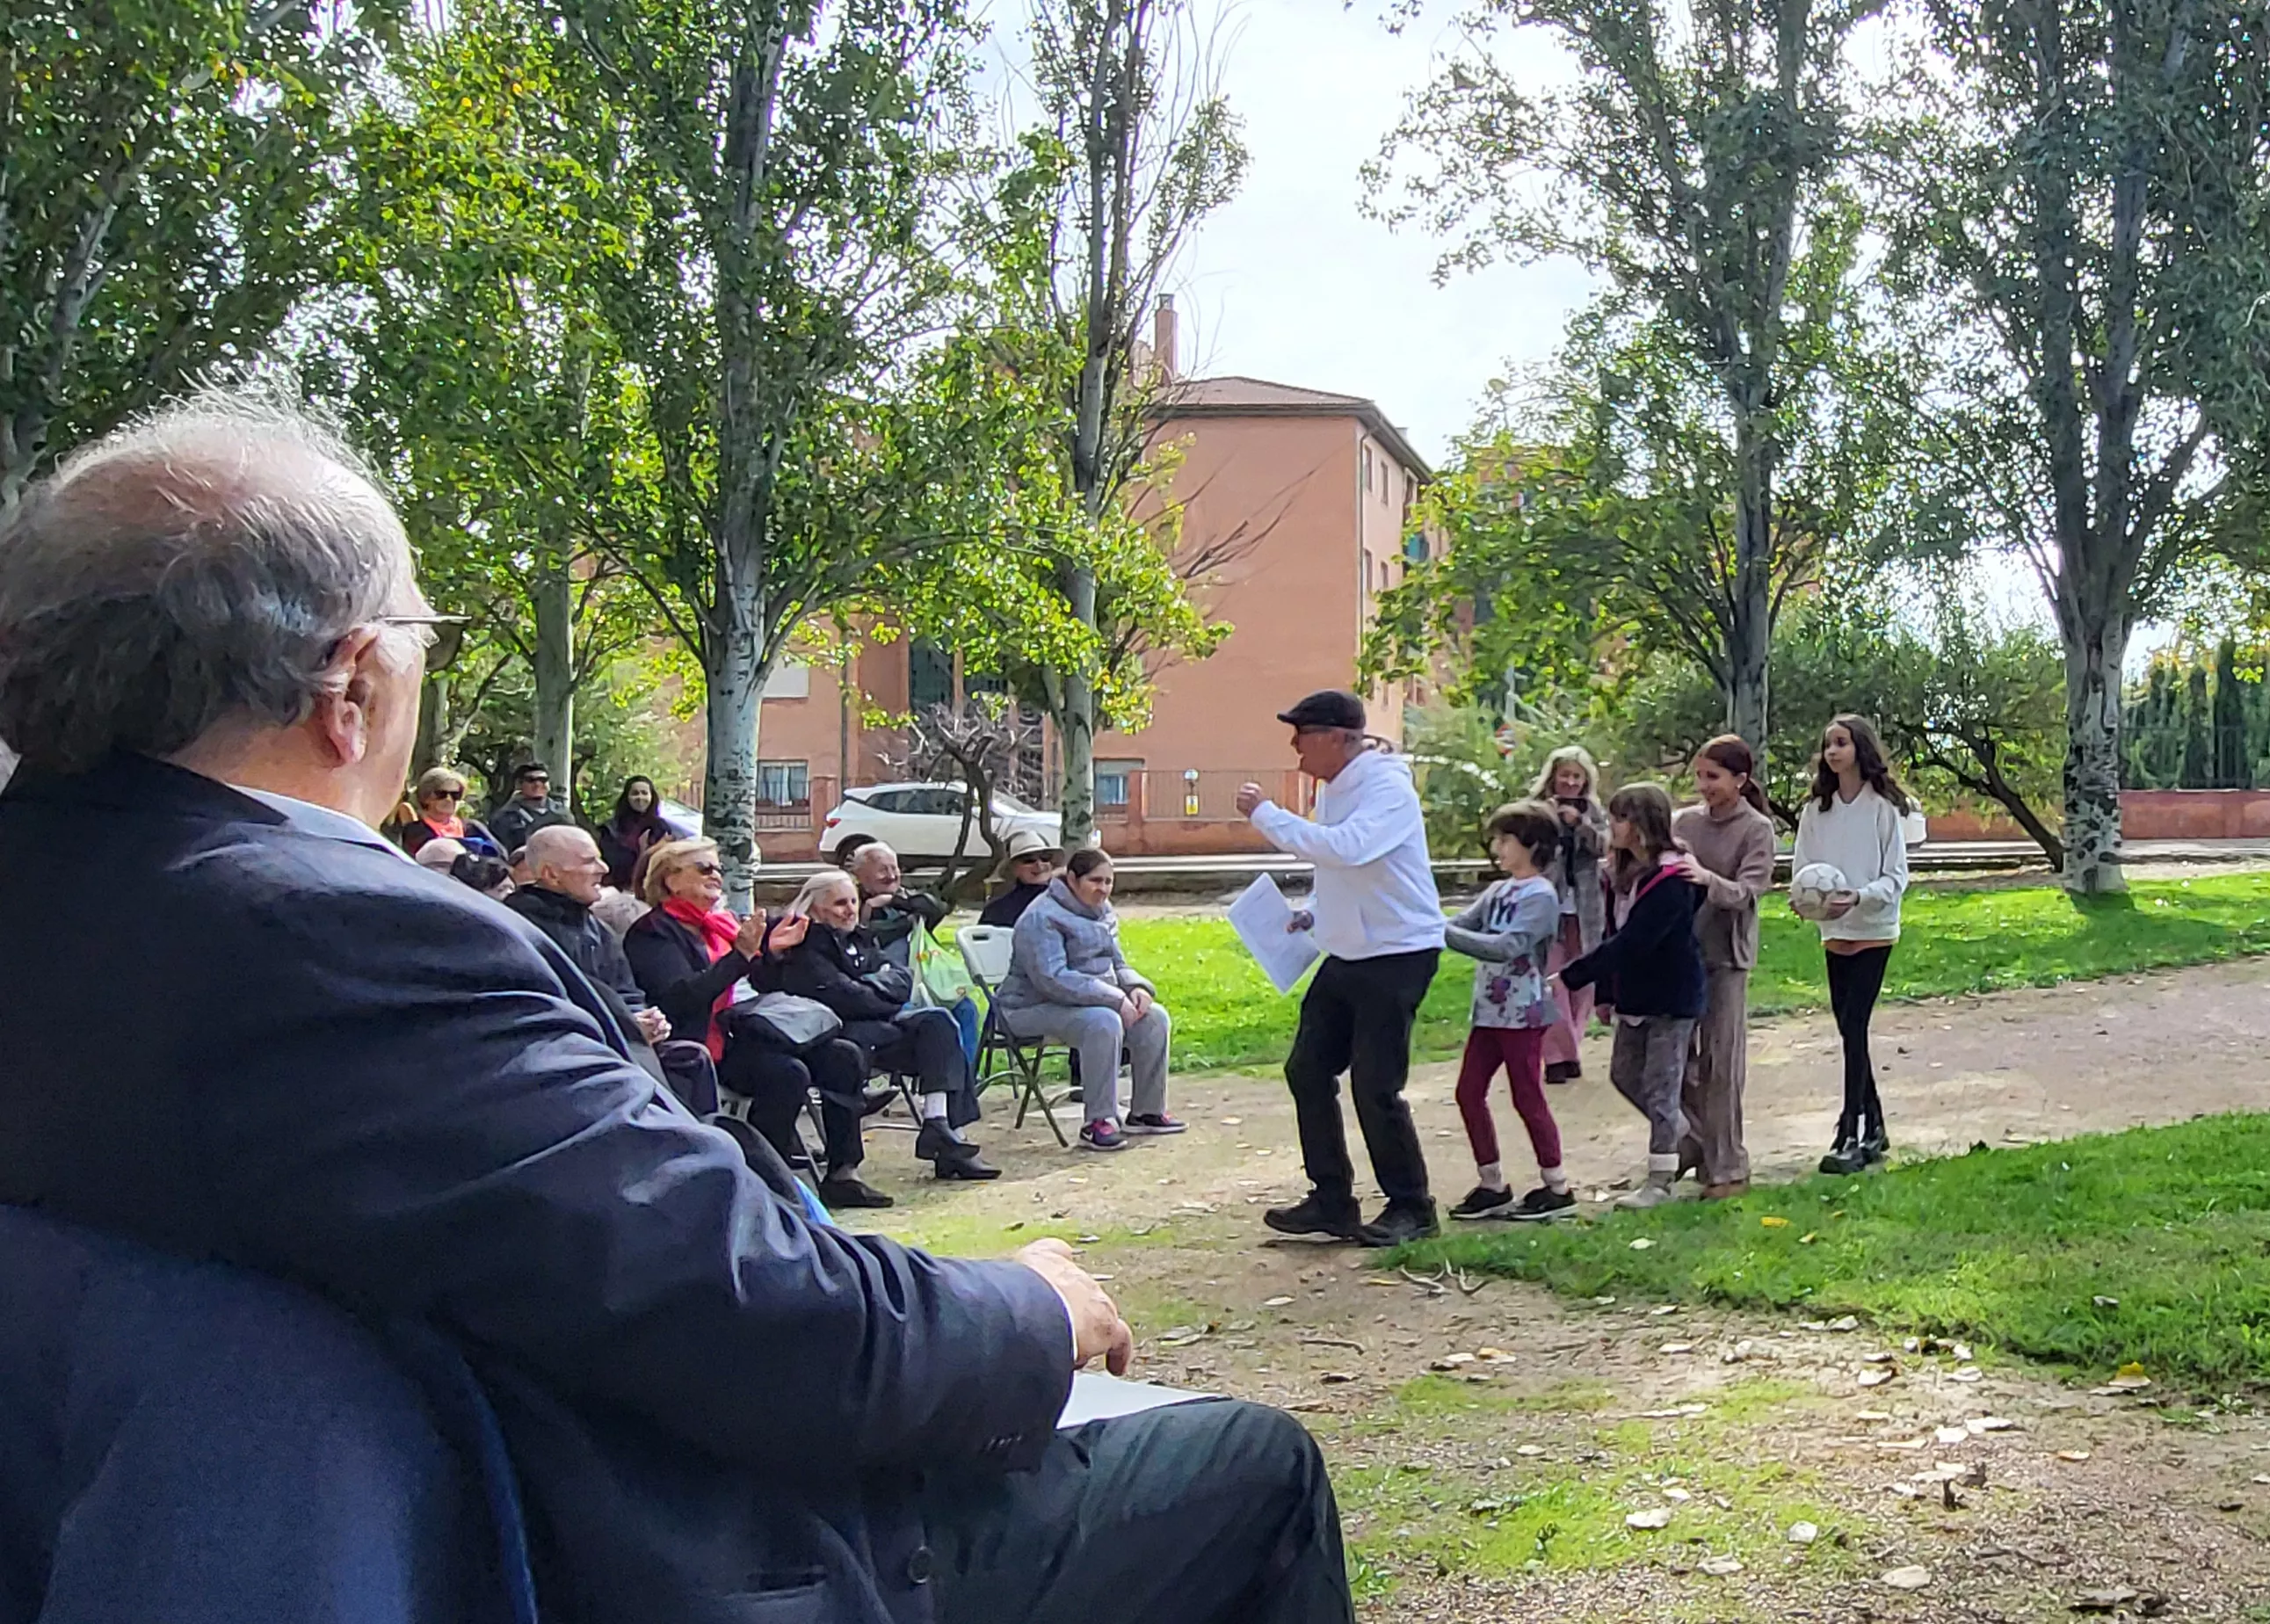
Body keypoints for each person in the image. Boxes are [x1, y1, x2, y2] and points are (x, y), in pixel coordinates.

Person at [0, 391, 1352, 1624]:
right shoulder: (338, 941)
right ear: (352, 688)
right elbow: (785, 1334)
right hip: (601, 1542)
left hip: (213, 1524)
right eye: (421, 636)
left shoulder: (78, 896)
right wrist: (1031, 1306)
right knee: (1253, 1467)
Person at [1241, 690, 1446, 1246]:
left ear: (1338, 738)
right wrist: (1313, 915)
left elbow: (1348, 849)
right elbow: (1345, 872)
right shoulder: (1335, 790)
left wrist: (1266, 814)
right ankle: (1331, 1199)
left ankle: (1413, 1207)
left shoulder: (1387, 789)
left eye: (1301, 734)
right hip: (1351, 951)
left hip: (1398, 951)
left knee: (1376, 1084)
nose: (1294, 747)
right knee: (1307, 1069)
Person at [625, 837, 894, 1208]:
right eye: (704, 869)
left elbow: (758, 984)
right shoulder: (654, 932)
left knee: (842, 1055)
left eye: (717, 868)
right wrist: (741, 956)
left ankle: (843, 1173)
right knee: (787, 1073)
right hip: (701, 1042)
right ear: (672, 881)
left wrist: (771, 954)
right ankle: (770, 1182)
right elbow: (681, 997)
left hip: (750, 1029)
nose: (716, 876)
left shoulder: (721, 924)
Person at [759, 870, 1001, 1182]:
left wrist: (869, 989)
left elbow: (901, 979)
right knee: (865, 1042)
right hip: (833, 1035)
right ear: (816, 908)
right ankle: (846, 1170)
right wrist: (877, 991)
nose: (849, 910)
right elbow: (838, 996)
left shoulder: (860, 937)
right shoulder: (806, 944)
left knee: (939, 1023)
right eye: (839, 904)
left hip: (877, 1026)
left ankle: (943, 1129)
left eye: (853, 901)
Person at [509, 825, 727, 1115]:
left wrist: (647, 1020)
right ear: (551, 874)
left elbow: (627, 991)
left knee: (690, 1059)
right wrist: (626, 1024)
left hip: (626, 1039)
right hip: (569, 1054)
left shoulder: (596, 928)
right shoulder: (522, 926)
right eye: (589, 861)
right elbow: (553, 1001)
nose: (603, 868)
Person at [1561, 783, 1709, 1209]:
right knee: (1625, 1075)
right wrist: (1606, 994)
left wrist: (1577, 975)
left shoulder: (1672, 877)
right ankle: (1687, 1139)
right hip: (1635, 995)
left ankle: (1660, 1179)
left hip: (1671, 996)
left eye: (1620, 819)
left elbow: (1636, 941)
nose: (1612, 827)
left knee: (1662, 1086)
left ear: (1644, 824)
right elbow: (1612, 932)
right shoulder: (1620, 875)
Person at [994, 846, 1179, 1153]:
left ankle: (1146, 1111)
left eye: (1108, 882)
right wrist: (1114, 999)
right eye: (1096, 881)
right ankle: (1098, 1122)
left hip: (1086, 1003)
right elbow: (1052, 979)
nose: (1103, 889)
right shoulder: (1040, 917)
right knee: (1102, 1022)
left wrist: (1136, 988)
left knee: (1154, 1017)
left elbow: (1117, 963)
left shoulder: (1103, 911)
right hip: (1027, 1009)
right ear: (1072, 879)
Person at [1442, 801, 1574, 1220]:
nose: (1497, 846)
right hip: (1489, 1012)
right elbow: (1467, 922)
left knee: (1527, 1095)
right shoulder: (1500, 890)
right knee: (1468, 1092)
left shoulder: (1541, 896)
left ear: (1531, 844)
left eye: (1505, 839)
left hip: (1522, 1013)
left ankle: (1557, 1184)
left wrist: (1439, 932)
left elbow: (1507, 946)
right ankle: (1491, 1182)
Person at [1793, 714, 1913, 1170]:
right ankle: (1875, 1126)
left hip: (1873, 929)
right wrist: (1806, 901)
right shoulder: (1815, 811)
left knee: (1855, 1025)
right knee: (1848, 1028)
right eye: (1828, 745)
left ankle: (1851, 1131)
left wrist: (1859, 897)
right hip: (1833, 930)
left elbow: (1895, 877)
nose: (1833, 751)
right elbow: (1805, 867)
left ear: (1860, 749)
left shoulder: (1883, 808)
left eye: (1841, 743)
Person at [1676, 735, 1774, 1199]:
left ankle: (1729, 1167)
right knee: (1672, 1060)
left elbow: (1749, 892)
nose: (1703, 786)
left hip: (1726, 956)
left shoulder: (1757, 829)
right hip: (1679, 956)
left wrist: (1707, 878)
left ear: (1740, 780)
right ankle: (1695, 1141)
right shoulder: (1685, 823)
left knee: (1721, 1064)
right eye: (1699, 776)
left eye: (1712, 777)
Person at [850, 838, 987, 1077]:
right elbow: (871, 937)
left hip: (926, 985)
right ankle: (947, 1083)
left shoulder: (906, 900)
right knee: (936, 1020)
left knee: (967, 1008)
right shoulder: (853, 904)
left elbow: (936, 908)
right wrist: (902, 919)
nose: (892, 875)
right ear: (861, 876)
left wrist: (896, 901)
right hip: (886, 992)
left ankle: (964, 1085)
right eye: (883, 870)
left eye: (894, 868)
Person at [1532, 745, 1613, 1083]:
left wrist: (1579, 824)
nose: (1570, 782)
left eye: (1576, 776)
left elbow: (1605, 846)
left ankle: (1571, 1048)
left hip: (1583, 907)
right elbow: (1527, 851)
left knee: (1582, 981)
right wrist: (1550, 822)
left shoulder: (1593, 810)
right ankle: (1556, 1057)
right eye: (1564, 775)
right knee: (1551, 981)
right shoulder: (1535, 809)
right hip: (1547, 905)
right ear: (1552, 777)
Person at [598, 773, 684, 892]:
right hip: (616, 890)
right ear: (626, 797)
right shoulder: (611, 829)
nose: (640, 797)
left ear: (652, 796)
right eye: (635, 793)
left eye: (644, 793)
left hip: (650, 891)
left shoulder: (661, 827)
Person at [388, 765, 498, 858]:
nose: (448, 799)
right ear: (425, 797)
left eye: (455, 795)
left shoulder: (473, 827)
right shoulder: (416, 831)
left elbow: (500, 853)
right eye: (441, 794)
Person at [482, 761, 575, 853]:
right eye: (531, 780)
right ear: (519, 784)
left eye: (543, 780)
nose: (537, 784)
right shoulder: (505, 817)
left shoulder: (562, 813)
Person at [979, 839, 1068, 929]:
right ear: (1013, 868)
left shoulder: (1066, 899)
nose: (1039, 865)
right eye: (1029, 860)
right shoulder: (996, 909)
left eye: (1045, 858)